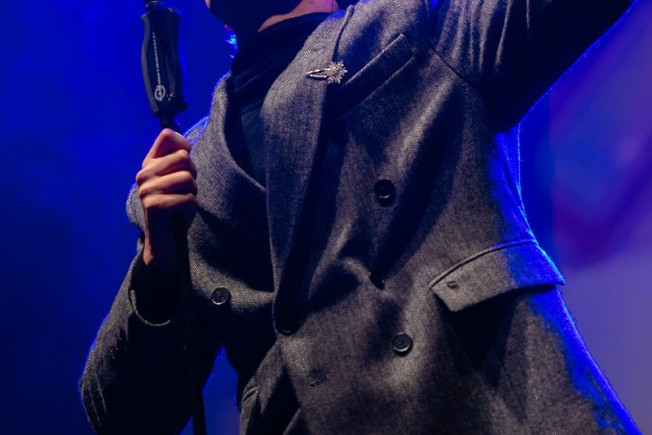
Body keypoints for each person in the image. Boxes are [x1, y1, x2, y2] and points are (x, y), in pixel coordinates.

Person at [81, 0, 640, 433]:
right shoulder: (186, 171)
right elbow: (123, 418)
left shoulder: (420, 26)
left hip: (487, 411)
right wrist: (157, 272)